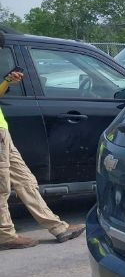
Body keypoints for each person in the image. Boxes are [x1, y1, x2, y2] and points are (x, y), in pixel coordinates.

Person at [0, 32, 84, 249]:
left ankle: (58, 227)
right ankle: (5, 235)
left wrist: (7, 82)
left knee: (26, 181)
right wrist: (7, 81)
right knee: (2, 187)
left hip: (3, 133)